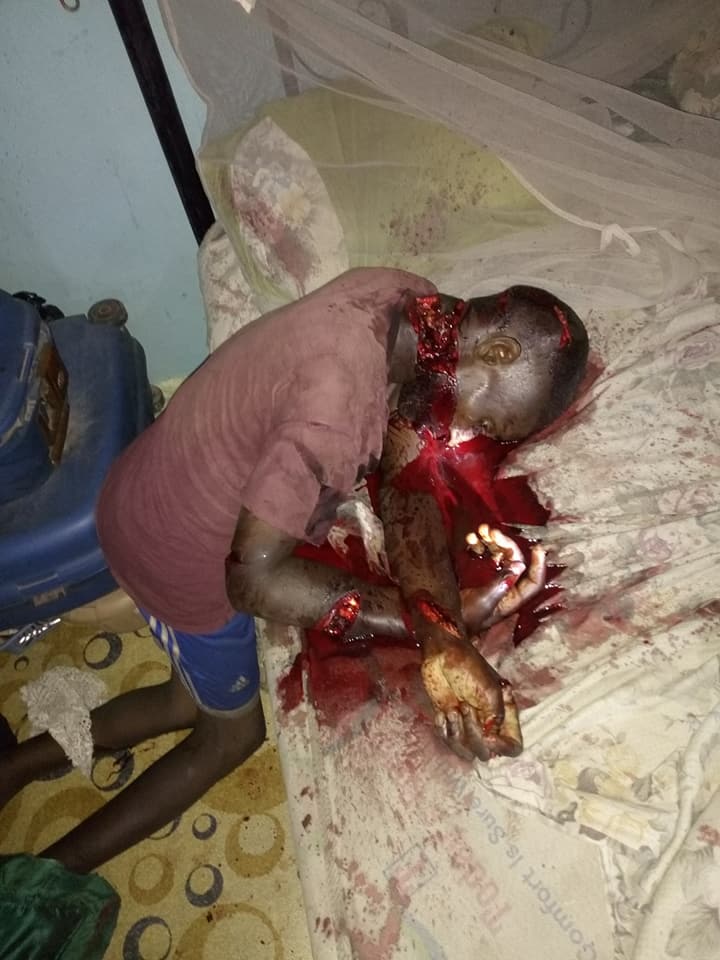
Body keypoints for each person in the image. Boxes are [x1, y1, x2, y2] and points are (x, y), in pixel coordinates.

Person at [0, 268, 588, 873]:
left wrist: (443, 628)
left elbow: (404, 472)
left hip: (163, 480)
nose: (468, 432)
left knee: (189, 696)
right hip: (173, 546)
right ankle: (38, 880)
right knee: (230, 735)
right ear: (498, 352)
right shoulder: (337, 403)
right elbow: (253, 581)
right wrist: (418, 623)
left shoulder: (412, 309)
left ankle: (14, 766)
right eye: (489, 422)